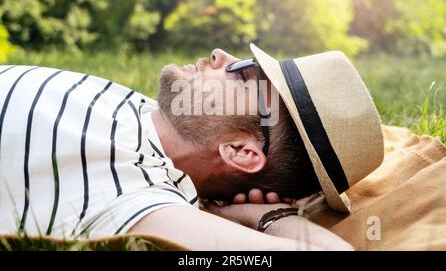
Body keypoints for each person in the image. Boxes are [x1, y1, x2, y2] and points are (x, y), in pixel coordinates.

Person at [0, 44, 383, 250]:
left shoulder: (140, 193)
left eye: (244, 73)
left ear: (241, 151)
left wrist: (261, 217)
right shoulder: (146, 111)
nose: (222, 56)